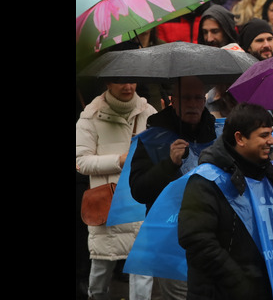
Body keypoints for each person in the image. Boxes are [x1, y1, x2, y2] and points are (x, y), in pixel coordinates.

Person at [177, 103, 273, 300]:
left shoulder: (267, 174)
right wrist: (238, 282)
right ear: (240, 138)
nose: (271, 141)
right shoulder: (205, 180)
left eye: (271, 133)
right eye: (263, 135)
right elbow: (196, 240)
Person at [129, 75, 218, 300]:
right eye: (186, 98)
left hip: (212, 237)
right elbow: (139, 191)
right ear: (173, 101)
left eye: (198, 97)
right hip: (170, 239)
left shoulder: (216, 135)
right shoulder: (153, 138)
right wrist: (169, 165)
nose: (193, 103)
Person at [76, 80, 156, 300]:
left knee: (142, 272)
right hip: (107, 206)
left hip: (140, 201)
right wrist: (118, 161)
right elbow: (81, 163)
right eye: (121, 81)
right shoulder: (91, 115)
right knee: (101, 272)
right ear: (109, 82)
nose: (128, 87)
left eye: (132, 81)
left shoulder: (149, 112)